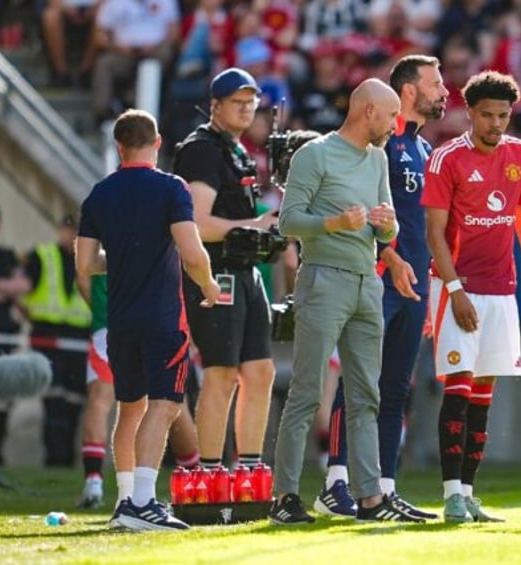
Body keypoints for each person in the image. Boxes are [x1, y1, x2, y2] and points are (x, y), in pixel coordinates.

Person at [271, 78, 422, 524]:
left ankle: (371, 499)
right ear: (368, 112)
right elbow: (288, 222)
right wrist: (335, 222)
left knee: (366, 396)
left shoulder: (377, 159)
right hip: (322, 281)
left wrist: (387, 226)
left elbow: (387, 231)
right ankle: (285, 497)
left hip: (366, 283)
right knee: (306, 392)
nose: (397, 124)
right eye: (393, 115)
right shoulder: (314, 154)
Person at [315, 54, 448, 520]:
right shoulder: (374, 147)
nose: (443, 91)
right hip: (374, 280)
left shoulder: (425, 151)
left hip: (413, 285)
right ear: (408, 90)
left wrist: (431, 282)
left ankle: (384, 490)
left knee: (395, 389)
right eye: (435, 83)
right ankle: (335, 481)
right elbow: (352, 209)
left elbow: (424, 229)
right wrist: (386, 257)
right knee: (357, 384)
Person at [76, 108, 220, 530]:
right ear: (158, 143)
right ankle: (142, 502)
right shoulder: (171, 187)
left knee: (129, 408)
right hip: (162, 318)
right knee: (165, 405)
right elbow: (192, 254)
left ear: (119, 147)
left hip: (118, 320)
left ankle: (124, 504)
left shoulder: (99, 193)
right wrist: (210, 285)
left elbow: (85, 264)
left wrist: (122, 258)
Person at [421, 70, 521, 524]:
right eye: (488, 115)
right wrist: (454, 290)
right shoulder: (446, 159)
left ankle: (470, 492)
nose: (496, 124)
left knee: (483, 394)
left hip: (502, 290)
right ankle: (451, 494)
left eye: (504, 115)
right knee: (457, 389)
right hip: (457, 287)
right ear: (470, 114)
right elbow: (434, 233)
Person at [172, 68, 277, 474]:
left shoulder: (237, 149)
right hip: (216, 272)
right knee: (220, 373)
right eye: (238, 101)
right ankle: (208, 473)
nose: (247, 108)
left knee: (260, 370)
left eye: (252, 102)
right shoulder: (202, 149)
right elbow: (196, 223)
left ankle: (248, 469)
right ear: (214, 105)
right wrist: (256, 226)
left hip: (245, 271)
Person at [74, 273, 201, 509]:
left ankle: (110, 489)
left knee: (113, 405)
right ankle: (194, 482)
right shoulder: (159, 235)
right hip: (158, 322)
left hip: (112, 325)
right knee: (170, 404)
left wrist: (103, 309)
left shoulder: (103, 235)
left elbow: (83, 273)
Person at [22, 214, 91, 467]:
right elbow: (22, 289)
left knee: (74, 404)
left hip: (79, 341)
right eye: (68, 230)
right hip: (47, 339)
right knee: (53, 404)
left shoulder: (91, 259)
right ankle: (54, 460)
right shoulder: (42, 255)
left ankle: (66, 461)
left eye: (76, 231)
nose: (71, 236)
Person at [0, 204, 30, 466]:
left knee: (1, 400)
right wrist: (3, 289)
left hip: (2, 336)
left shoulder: (8, 256)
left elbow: (21, 285)